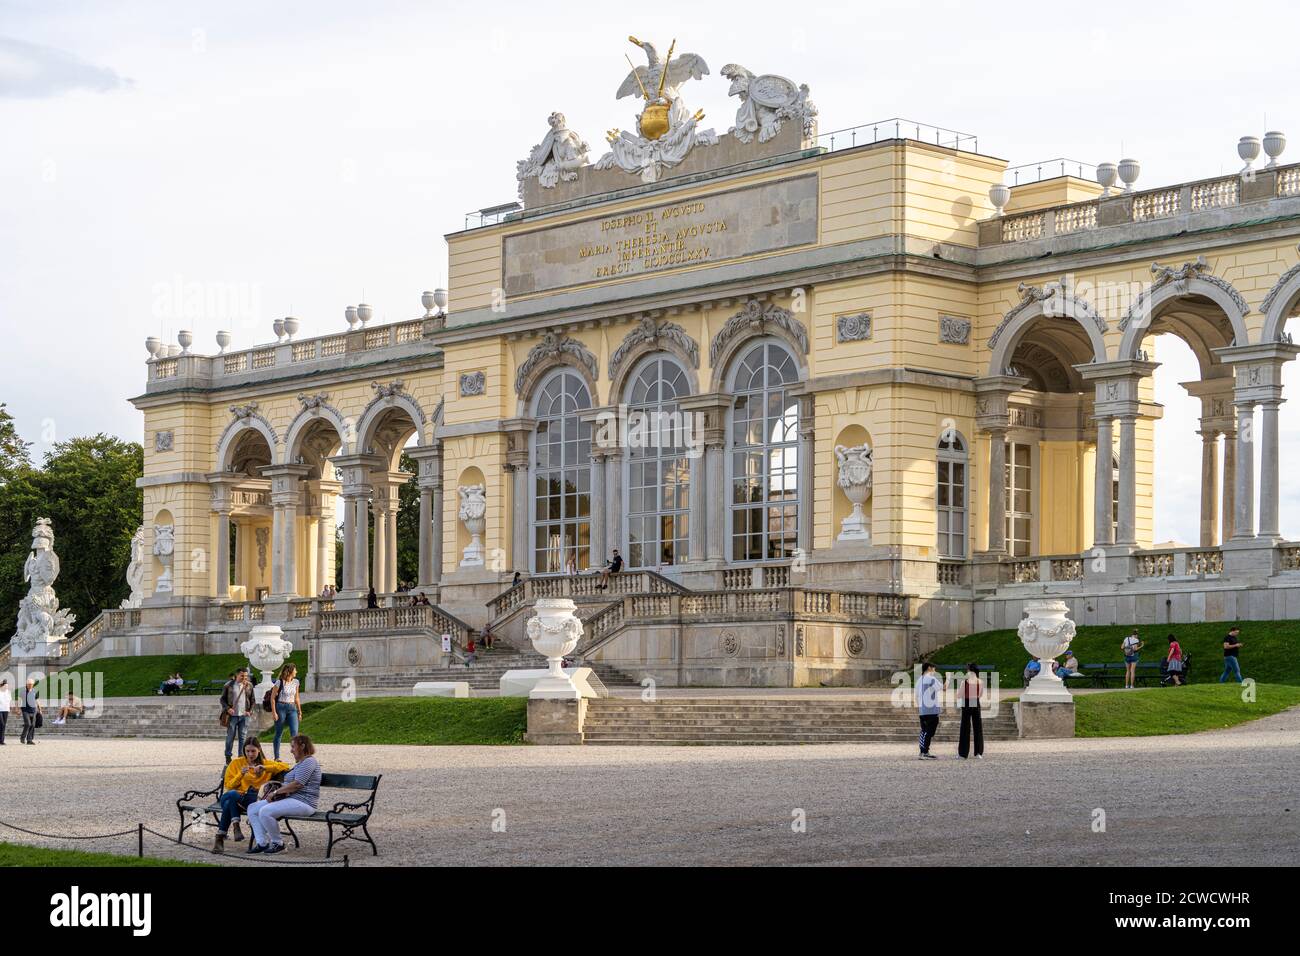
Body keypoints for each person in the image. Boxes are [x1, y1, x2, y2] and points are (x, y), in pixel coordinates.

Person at [247, 734, 322, 855]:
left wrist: (275, 792)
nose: (291, 750)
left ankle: (278, 844)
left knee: (265, 811)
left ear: (302, 746)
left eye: (293, 747)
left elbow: (297, 784)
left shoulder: (309, 762)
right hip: (292, 799)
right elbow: (289, 782)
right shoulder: (300, 763)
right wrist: (274, 787)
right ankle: (262, 843)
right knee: (252, 808)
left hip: (305, 803)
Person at [212, 736, 289, 854]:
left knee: (228, 802)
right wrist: (240, 775)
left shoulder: (265, 764)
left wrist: (264, 768)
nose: (250, 754)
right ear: (244, 751)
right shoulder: (236, 763)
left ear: (259, 750)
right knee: (231, 795)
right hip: (235, 797)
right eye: (247, 751)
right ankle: (235, 825)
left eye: (253, 751)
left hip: (252, 800)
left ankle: (222, 837)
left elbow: (285, 766)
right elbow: (229, 785)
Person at [221, 667, 256, 763]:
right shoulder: (228, 685)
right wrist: (228, 709)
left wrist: (250, 711)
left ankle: (241, 757)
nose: (244, 678)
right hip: (232, 716)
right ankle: (228, 756)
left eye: (246, 676)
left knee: (243, 738)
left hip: (244, 716)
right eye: (242, 676)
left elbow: (253, 700)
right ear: (237, 675)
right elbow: (222, 699)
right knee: (230, 737)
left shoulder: (249, 685)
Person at [270, 663, 303, 761]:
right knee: (279, 732)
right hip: (281, 707)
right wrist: (274, 712)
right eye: (295, 670)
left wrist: (299, 711)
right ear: (290, 671)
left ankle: (298, 757)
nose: (296, 672)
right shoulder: (279, 682)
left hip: (292, 708)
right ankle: (277, 757)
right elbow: (272, 698)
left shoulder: (296, 682)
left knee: (295, 734)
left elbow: (297, 697)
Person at [957, 663, 984, 760]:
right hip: (976, 702)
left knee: (965, 728)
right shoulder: (980, 681)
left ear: (969, 671)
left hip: (967, 703)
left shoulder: (965, 682)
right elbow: (980, 694)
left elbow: (959, 695)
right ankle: (978, 752)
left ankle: (963, 754)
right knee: (978, 728)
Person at [915, 662, 942, 760]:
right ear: (930, 668)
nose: (935, 671)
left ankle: (923, 751)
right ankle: (925, 752)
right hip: (931, 710)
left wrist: (920, 707)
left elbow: (916, 696)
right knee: (929, 732)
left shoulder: (919, 680)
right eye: (934, 669)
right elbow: (943, 688)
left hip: (922, 709)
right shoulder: (931, 679)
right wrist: (949, 678)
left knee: (924, 731)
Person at [18, 678, 38, 745]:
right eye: (29, 684)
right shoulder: (23, 691)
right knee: (28, 724)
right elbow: (19, 700)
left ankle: (29, 740)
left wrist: (40, 709)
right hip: (25, 710)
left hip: (33, 710)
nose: (30, 685)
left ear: (33, 684)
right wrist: (17, 709)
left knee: (32, 725)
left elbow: (36, 700)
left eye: (31, 684)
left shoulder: (35, 691)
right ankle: (22, 737)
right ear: (26, 684)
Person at [0, 678, 9, 745]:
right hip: (0, 710)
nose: (6, 687)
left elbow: (9, 701)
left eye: (7, 686)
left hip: (6, 710)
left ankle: (2, 740)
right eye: (5, 686)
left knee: (3, 725)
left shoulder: (8, 692)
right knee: (2, 724)